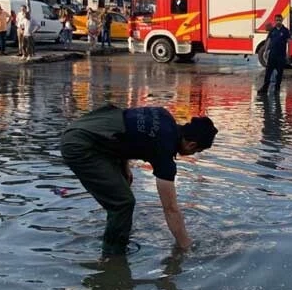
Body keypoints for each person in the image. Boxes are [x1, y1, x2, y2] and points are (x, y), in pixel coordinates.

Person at [60, 105, 218, 254]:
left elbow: (129, 127)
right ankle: (112, 257)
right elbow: (170, 209)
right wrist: (186, 245)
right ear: (191, 145)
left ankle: (118, 231)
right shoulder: (164, 152)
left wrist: (125, 166)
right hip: (79, 144)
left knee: (123, 186)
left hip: (87, 125)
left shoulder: (163, 115)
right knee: (123, 203)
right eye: (198, 151)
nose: (194, 154)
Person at [257, 15, 291, 95]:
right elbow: (268, 40)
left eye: (279, 20)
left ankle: (277, 89)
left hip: (281, 56)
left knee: (279, 74)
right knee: (268, 73)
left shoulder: (285, 31)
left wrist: (288, 53)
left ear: (282, 20)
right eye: (276, 20)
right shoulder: (272, 30)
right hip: (272, 55)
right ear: (275, 21)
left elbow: (289, 42)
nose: (278, 21)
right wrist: (265, 51)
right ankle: (265, 88)